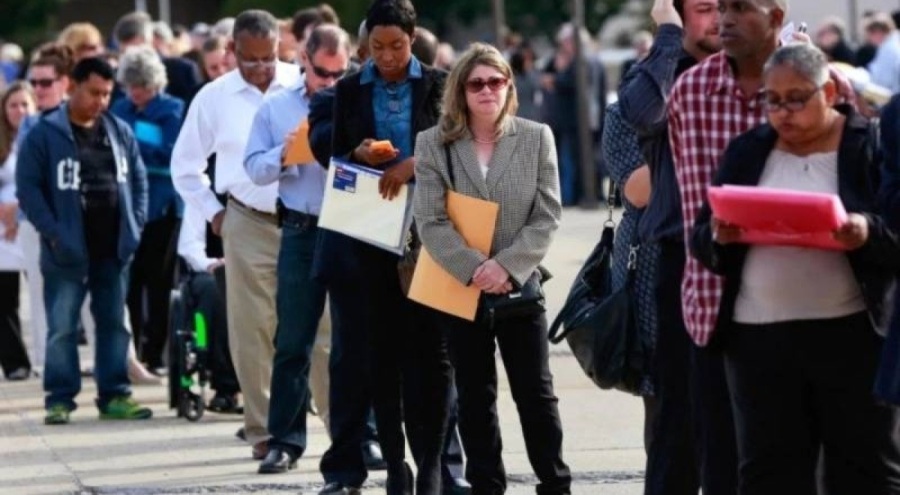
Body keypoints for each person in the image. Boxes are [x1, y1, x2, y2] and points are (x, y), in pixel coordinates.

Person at [692, 43, 900, 495]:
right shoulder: (748, 151)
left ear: (828, 91)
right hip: (759, 341)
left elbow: (895, 232)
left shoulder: (868, 144)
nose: (783, 112)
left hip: (851, 338)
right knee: (770, 472)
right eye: (772, 99)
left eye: (797, 98)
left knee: (864, 468)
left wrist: (865, 231)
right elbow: (702, 237)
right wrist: (718, 236)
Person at [413, 42, 571, 495]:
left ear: (509, 86)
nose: (488, 91)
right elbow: (430, 219)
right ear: (461, 90)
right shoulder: (433, 143)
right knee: (475, 398)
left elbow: (548, 214)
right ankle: (487, 485)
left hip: (519, 289)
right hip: (462, 290)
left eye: (496, 82)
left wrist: (506, 266)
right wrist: (475, 268)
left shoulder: (536, 136)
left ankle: (555, 483)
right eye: (477, 83)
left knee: (536, 395)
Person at [314, 1, 451, 493]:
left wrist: (413, 163)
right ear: (365, 45)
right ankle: (395, 464)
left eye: (397, 46)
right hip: (371, 233)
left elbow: (456, 141)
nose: (388, 57)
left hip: (432, 232)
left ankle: (433, 464)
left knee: (432, 356)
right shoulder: (350, 88)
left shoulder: (438, 83)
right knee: (381, 353)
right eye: (378, 48)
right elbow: (331, 152)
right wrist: (359, 153)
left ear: (413, 39)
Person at [171, 9, 300, 461]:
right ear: (231, 52)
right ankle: (263, 429)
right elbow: (184, 167)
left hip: (304, 218)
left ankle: (330, 418)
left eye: (270, 57)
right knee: (252, 328)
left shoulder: (301, 85)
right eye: (251, 59)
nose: (262, 68)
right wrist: (214, 214)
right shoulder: (213, 98)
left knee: (316, 323)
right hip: (245, 220)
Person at [616, 0, 734, 491]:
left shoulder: (754, 70)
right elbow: (644, 112)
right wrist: (667, 36)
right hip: (678, 263)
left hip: (750, 262)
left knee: (742, 424)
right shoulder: (656, 75)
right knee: (677, 423)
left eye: (727, 8)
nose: (720, 21)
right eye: (706, 9)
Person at [16, 56, 149, 425]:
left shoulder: (119, 130)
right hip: (66, 250)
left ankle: (115, 394)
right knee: (62, 326)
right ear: (71, 86)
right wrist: (55, 235)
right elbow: (29, 191)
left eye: (107, 94)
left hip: (113, 248)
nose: (101, 101)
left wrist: (135, 227)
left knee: (113, 324)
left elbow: (138, 182)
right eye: (94, 92)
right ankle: (59, 398)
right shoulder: (44, 134)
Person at [243, 23, 350, 475]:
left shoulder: (357, 99)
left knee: (353, 340)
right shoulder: (277, 106)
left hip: (349, 227)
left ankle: (359, 438)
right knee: (293, 340)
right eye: (323, 74)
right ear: (304, 60)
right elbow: (253, 168)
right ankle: (284, 441)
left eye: (340, 73)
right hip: (302, 229)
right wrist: (285, 155)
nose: (331, 83)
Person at [110, 45, 185, 374]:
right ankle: (132, 354)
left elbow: (172, 154)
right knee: (130, 283)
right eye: (129, 86)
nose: (134, 93)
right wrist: (143, 148)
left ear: (154, 83)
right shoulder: (118, 108)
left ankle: (157, 354)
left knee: (159, 283)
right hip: (126, 209)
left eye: (140, 86)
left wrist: (134, 148)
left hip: (164, 210)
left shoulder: (173, 109)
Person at [176, 201, 241, 413]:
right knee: (216, 289)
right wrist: (211, 263)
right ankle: (226, 386)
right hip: (210, 270)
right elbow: (189, 245)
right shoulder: (201, 196)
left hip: (256, 267)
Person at [0, 81, 34, 380]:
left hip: (31, 222)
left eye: (25, 104)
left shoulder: (40, 136)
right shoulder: (3, 141)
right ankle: (15, 363)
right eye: (13, 105)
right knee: (5, 298)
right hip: (2, 231)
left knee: (41, 296)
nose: (19, 111)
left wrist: (17, 208)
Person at [113, 11, 203, 105]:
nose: (132, 57)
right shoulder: (118, 77)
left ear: (149, 40)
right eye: (125, 52)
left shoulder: (183, 71)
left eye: (135, 49)